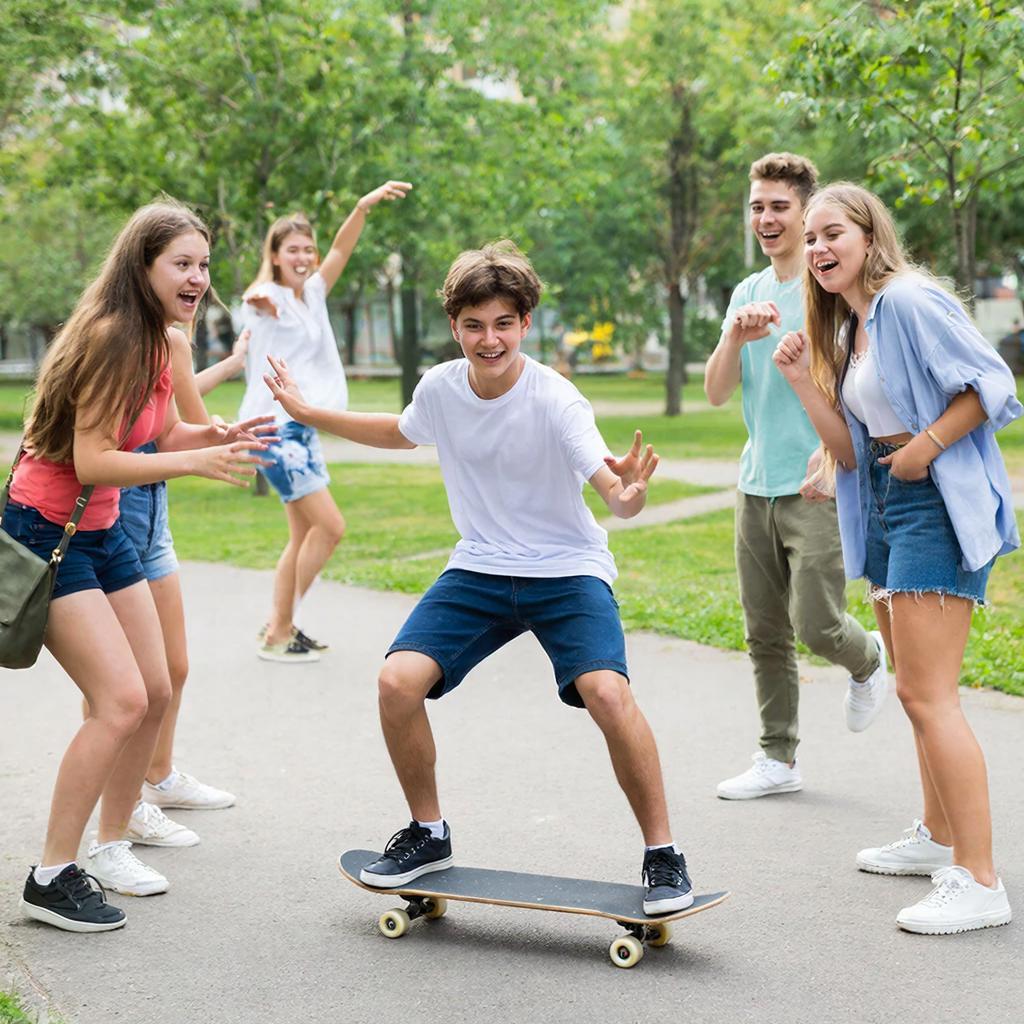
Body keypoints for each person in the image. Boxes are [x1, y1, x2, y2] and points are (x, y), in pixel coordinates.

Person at [263, 240, 693, 915]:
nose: (489, 339)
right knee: (396, 683)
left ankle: (663, 855)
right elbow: (400, 430)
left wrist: (630, 494)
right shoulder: (440, 388)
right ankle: (428, 833)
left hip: (564, 569)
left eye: (503, 324)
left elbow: (613, 491)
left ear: (525, 324)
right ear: (455, 326)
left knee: (608, 694)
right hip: (481, 566)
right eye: (473, 325)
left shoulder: (558, 400)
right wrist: (311, 414)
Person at [4, 202, 272, 932]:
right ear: (142, 266)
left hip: (103, 527)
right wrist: (194, 462)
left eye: (203, 264)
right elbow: (94, 459)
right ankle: (50, 875)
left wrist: (215, 434)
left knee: (155, 689)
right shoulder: (113, 337)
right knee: (120, 700)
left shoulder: (160, 338)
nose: (198, 277)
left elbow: (161, 432)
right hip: (49, 529)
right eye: (181, 263)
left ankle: (111, 844)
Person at [772, 181, 1019, 934]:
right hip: (884, 497)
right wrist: (800, 381)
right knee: (915, 690)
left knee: (928, 694)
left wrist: (924, 449)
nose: (819, 248)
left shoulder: (908, 301)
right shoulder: (854, 326)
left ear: (869, 235)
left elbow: (994, 384)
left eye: (833, 233)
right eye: (811, 238)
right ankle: (939, 838)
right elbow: (851, 450)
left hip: (932, 498)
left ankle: (979, 879)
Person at [703, 153, 887, 801]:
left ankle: (868, 657)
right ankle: (777, 758)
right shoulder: (747, 292)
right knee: (764, 632)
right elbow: (716, 393)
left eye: (779, 206)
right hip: (755, 484)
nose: (766, 218)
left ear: (806, 212)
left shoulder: (829, 287)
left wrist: (834, 459)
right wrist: (734, 337)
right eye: (757, 206)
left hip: (819, 483)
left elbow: (860, 386)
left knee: (817, 624)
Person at [239, 181, 411, 663]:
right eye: (291, 250)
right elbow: (254, 296)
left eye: (307, 249)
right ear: (275, 256)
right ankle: (279, 629)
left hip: (300, 428)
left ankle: (280, 623)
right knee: (330, 527)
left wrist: (361, 207)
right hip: (274, 430)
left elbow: (340, 250)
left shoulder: (313, 293)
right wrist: (264, 292)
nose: (303, 257)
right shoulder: (266, 296)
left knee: (303, 536)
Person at [117, 327, 252, 850]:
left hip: (154, 511)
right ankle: (123, 804)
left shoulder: (170, 338)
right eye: (185, 278)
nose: (197, 286)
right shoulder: (131, 336)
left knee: (173, 668)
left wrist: (231, 370)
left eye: (202, 279)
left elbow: (176, 408)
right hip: (118, 511)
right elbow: (184, 416)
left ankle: (158, 775)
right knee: (121, 683)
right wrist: (208, 439)